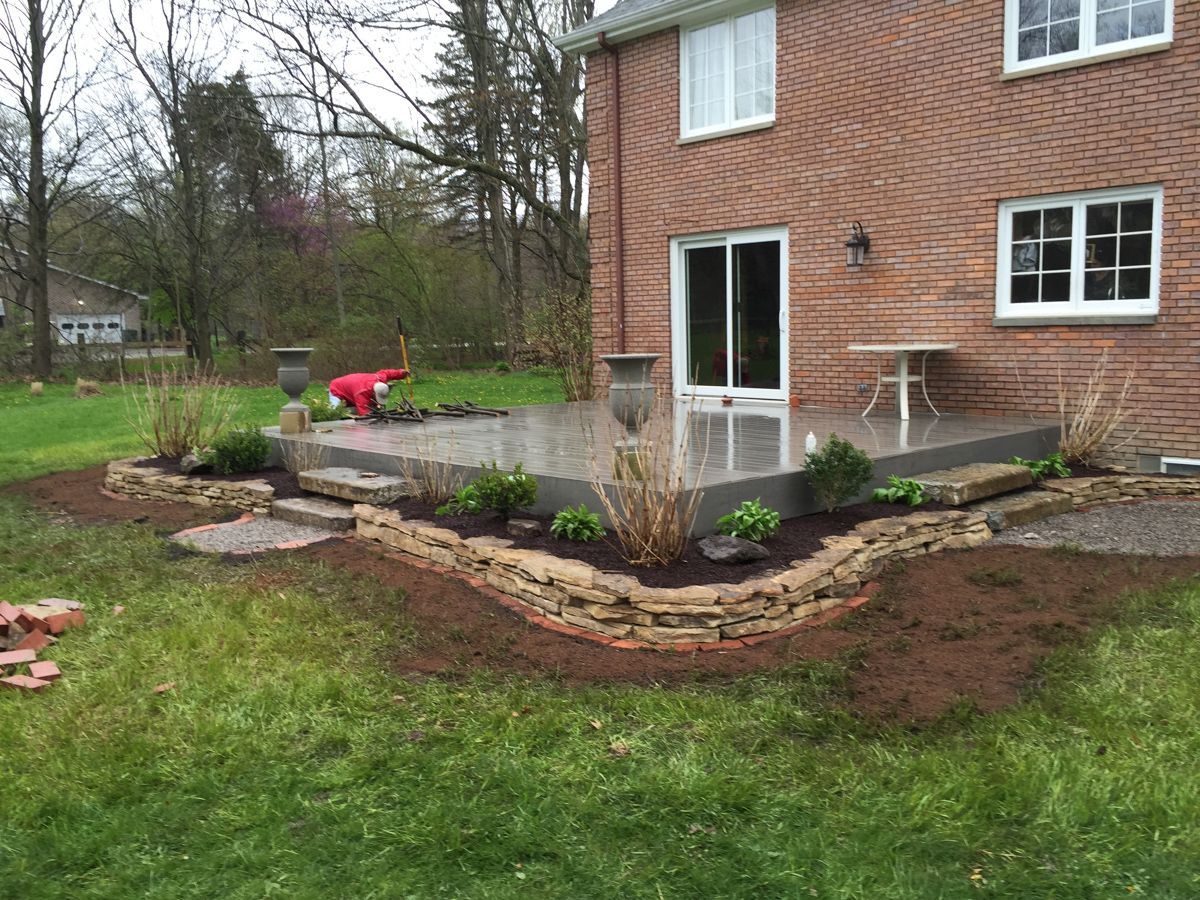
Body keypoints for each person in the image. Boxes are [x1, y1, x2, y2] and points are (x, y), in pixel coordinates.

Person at [328, 368, 409, 415]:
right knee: (334, 412)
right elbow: (364, 414)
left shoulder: (379, 378)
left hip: (352, 388)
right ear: (374, 393)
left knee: (371, 408)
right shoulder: (361, 393)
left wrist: (401, 373)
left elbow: (388, 373)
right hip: (337, 388)